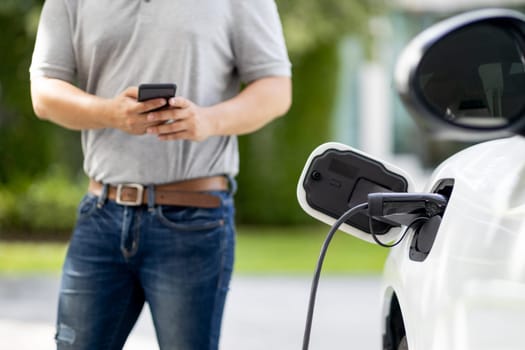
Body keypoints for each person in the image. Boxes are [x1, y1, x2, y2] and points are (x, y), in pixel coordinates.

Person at [29, 1, 291, 349]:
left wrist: (208, 121)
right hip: (100, 216)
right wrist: (110, 113)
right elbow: (45, 92)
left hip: (194, 221)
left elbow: (276, 90)